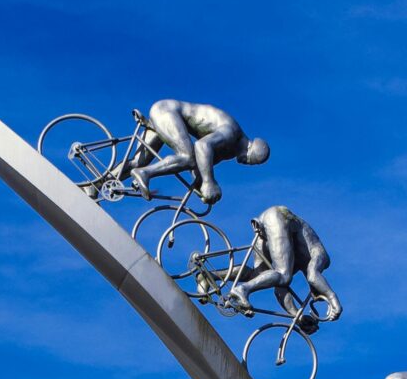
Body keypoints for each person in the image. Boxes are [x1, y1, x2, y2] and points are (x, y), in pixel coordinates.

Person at [124, 99, 269, 207]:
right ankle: (144, 173)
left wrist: (202, 186)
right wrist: (208, 182)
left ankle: (102, 183)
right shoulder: (232, 133)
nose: (246, 163)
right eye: (251, 161)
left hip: (167, 114)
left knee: (137, 162)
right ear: (250, 148)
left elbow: (198, 167)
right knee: (187, 157)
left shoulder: (229, 151)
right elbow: (201, 146)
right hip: (167, 112)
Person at [224, 205, 340, 327]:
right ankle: (242, 289)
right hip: (278, 217)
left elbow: (280, 289)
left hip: (272, 221)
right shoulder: (322, 258)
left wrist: (298, 317)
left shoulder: (296, 260)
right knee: (284, 275)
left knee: (257, 276)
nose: (314, 291)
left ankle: (208, 277)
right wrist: (333, 299)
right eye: (319, 290)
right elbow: (312, 277)